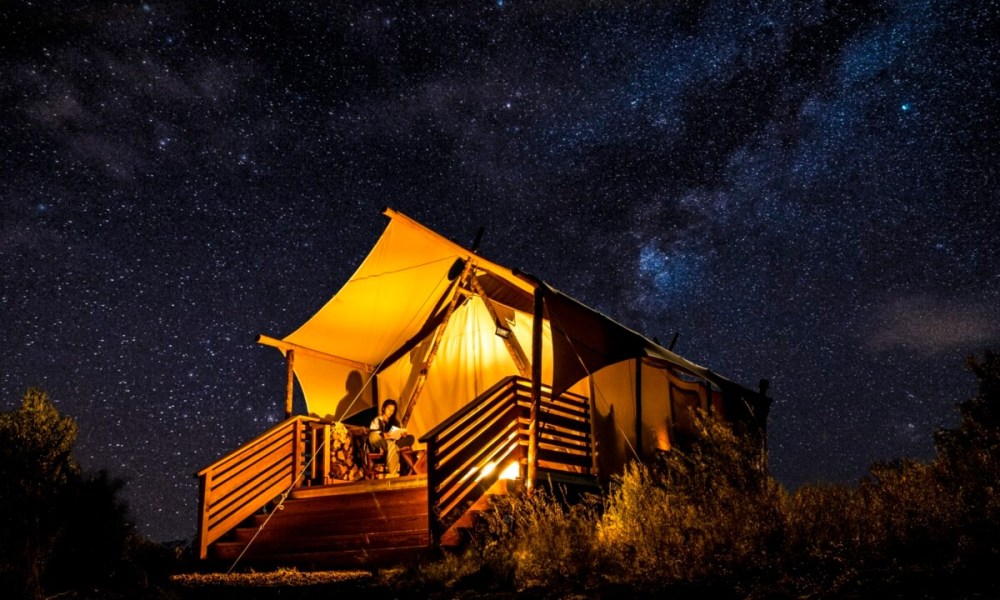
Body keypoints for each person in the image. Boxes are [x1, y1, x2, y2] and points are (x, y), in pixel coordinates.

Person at [368, 399, 415, 477]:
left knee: (411, 438)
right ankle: (391, 447)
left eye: (392, 410)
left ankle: (392, 446)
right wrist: (383, 434)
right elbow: (373, 432)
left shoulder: (395, 422)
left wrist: (402, 434)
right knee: (372, 436)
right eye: (389, 409)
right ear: (383, 408)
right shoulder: (377, 420)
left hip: (394, 442)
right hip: (381, 444)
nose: (390, 412)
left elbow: (400, 431)